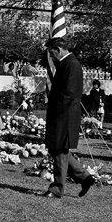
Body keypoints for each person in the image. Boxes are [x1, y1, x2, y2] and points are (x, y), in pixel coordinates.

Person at [42, 37, 96, 198]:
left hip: (64, 115)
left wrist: (57, 112)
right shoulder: (66, 64)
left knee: (59, 149)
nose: (51, 57)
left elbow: (69, 94)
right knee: (57, 149)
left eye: (51, 53)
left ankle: (57, 187)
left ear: (58, 49)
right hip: (60, 114)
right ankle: (85, 177)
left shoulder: (71, 64)